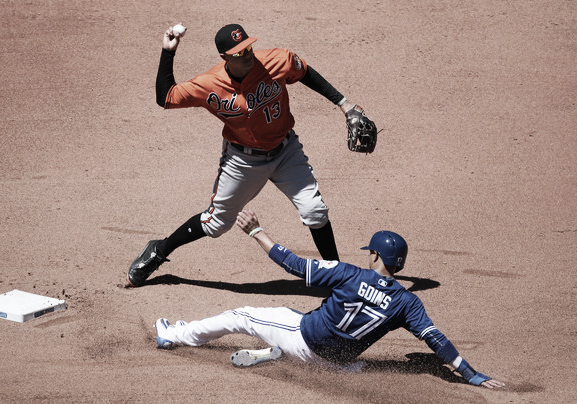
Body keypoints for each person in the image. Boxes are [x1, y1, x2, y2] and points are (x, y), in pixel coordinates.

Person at [127, 22, 377, 287]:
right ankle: (159, 249)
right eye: (238, 52)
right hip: (242, 160)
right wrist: (168, 52)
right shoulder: (209, 84)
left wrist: (344, 104)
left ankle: (337, 280)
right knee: (216, 225)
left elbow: (304, 73)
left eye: (248, 47)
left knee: (315, 212)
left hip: (286, 152)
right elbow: (165, 96)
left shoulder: (276, 61)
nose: (246, 54)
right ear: (224, 57)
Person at [153, 210, 505, 389]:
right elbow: (437, 342)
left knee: (241, 315)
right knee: (331, 350)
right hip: (339, 366)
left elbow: (291, 263)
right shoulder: (407, 304)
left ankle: (176, 335)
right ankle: (273, 354)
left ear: (375, 257)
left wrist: (256, 231)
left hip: (302, 340)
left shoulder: (351, 274)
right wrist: (471, 375)